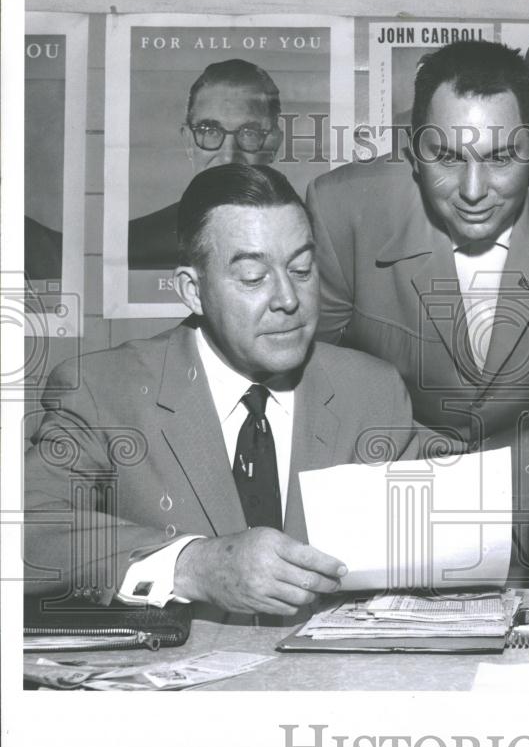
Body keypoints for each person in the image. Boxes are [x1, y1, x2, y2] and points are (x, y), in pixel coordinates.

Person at [24, 164, 416, 618]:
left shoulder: (373, 391)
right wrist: (194, 566)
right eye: (253, 277)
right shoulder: (103, 391)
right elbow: (25, 528)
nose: (288, 298)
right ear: (193, 291)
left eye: (302, 269)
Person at [306, 40, 529, 572]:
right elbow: (310, 382)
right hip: (399, 482)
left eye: (500, 157)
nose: (473, 190)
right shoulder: (344, 208)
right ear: (414, 151)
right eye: (446, 157)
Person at [128, 59, 284, 271]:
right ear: (188, 142)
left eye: (249, 133)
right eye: (210, 131)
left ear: (273, 143)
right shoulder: (135, 244)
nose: (228, 157)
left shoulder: (316, 244)